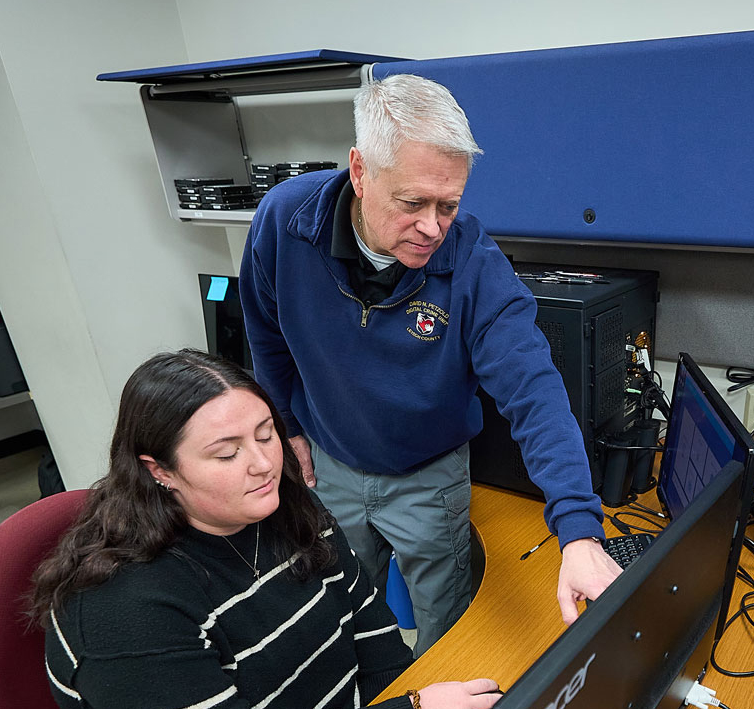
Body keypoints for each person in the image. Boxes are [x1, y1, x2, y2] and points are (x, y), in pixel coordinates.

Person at [31, 349, 501, 709]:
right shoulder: (118, 608)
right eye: (226, 453)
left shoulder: (285, 507)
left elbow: (372, 633)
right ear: (159, 470)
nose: (263, 464)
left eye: (265, 434)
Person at [239, 73, 621, 658]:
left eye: (450, 205)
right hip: (329, 458)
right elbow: (266, 330)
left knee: (446, 628)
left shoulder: (472, 265)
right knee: (345, 607)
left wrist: (579, 531)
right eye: (412, 203)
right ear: (360, 172)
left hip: (429, 472)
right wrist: (286, 426)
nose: (432, 228)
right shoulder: (286, 220)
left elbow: (535, 391)